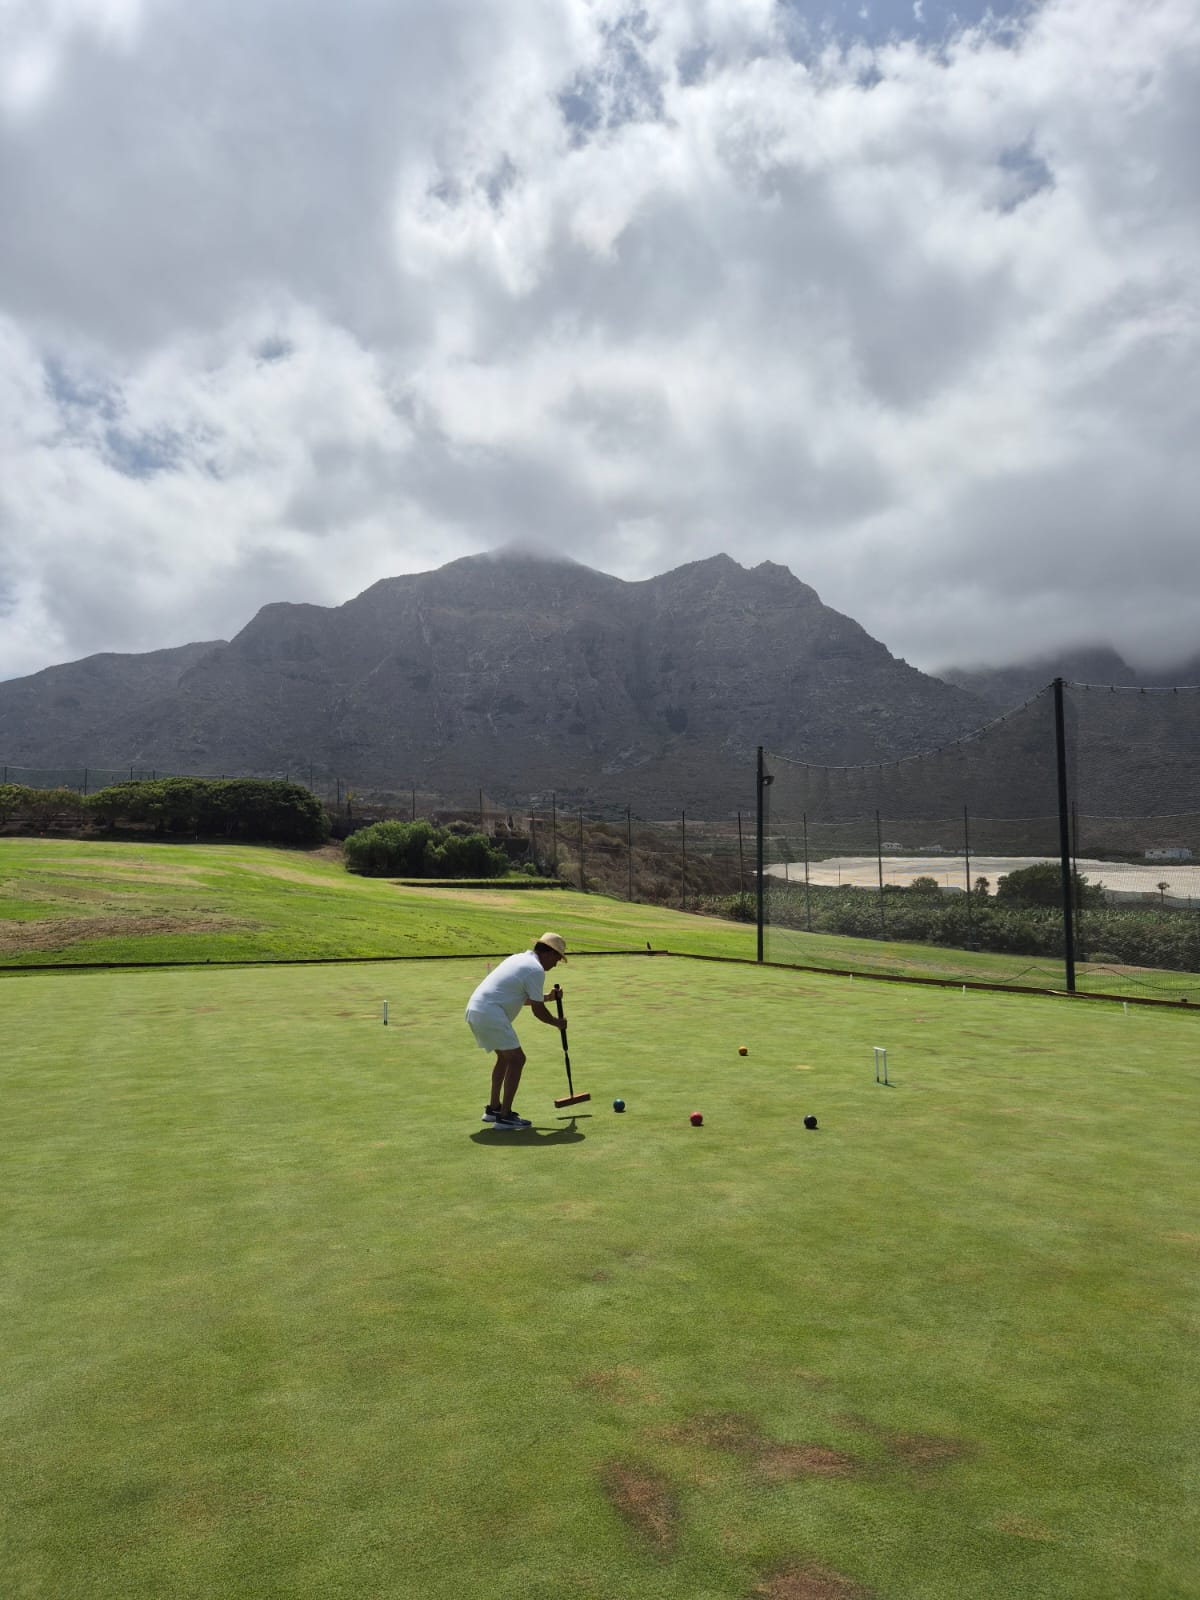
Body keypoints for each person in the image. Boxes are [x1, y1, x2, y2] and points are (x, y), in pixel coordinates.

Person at [465, 932, 568, 1129]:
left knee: (505, 1058)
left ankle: (494, 1109)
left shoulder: (519, 959)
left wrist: (548, 997)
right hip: (490, 1013)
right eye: (557, 958)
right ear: (549, 953)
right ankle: (505, 1117)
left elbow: (523, 998)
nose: (555, 964)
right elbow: (538, 1011)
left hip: (476, 1010)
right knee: (517, 1059)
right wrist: (557, 1023)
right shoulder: (536, 969)